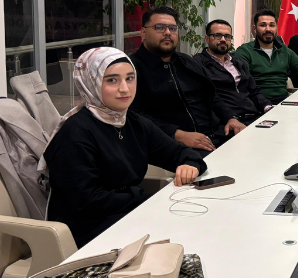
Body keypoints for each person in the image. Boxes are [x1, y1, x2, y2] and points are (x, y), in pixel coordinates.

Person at [44, 48, 206, 247]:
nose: (125, 89)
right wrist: (148, 199)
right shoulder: (75, 133)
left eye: (130, 78)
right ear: (91, 83)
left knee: (195, 226)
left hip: (126, 215)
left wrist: (190, 165)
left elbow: (179, 153)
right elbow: (86, 201)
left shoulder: (133, 122)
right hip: (87, 231)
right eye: (112, 80)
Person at [131, 7, 246, 154]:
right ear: (143, 33)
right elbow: (135, 116)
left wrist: (231, 118)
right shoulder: (132, 68)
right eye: (159, 27)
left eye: (172, 28)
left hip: (217, 135)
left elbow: (211, 97)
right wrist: (177, 134)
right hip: (174, 145)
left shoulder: (185, 61)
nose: (167, 32)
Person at [234, 9, 298, 104]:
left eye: (272, 25)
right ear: (255, 29)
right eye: (263, 25)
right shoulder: (245, 51)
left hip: (282, 102)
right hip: (256, 103)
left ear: (276, 28)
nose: (268, 29)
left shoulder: (284, 50)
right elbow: (243, 81)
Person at [195, 19, 273, 125]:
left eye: (227, 36)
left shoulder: (238, 63)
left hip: (253, 117)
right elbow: (208, 99)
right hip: (226, 122)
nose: (223, 39)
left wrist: (267, 107)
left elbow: (254, 91)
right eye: (218, 35)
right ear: (207, 39)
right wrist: (230, 118)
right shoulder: (198, 64)